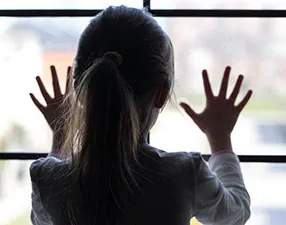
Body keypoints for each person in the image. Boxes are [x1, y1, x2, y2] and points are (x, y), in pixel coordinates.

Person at [29, 5, 252, 225]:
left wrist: (61, 133)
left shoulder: (46, 180)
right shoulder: (183, 174)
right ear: (162, 93)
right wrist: (220, 136)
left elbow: (42, 219)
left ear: (77, 90)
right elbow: (235, 213)